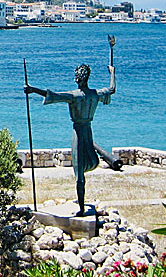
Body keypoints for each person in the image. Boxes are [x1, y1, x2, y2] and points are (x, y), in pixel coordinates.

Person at [25, 63, 116, 216]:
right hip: (89, 131)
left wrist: (33, 89)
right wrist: (112, 73)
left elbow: (52, 95)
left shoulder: (74, 96)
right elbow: (112, 89)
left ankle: (81, 208)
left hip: (79, 133)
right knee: (84, 167)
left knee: (78, 172)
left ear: (79, 79)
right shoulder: (95, 94)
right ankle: (81, 204)